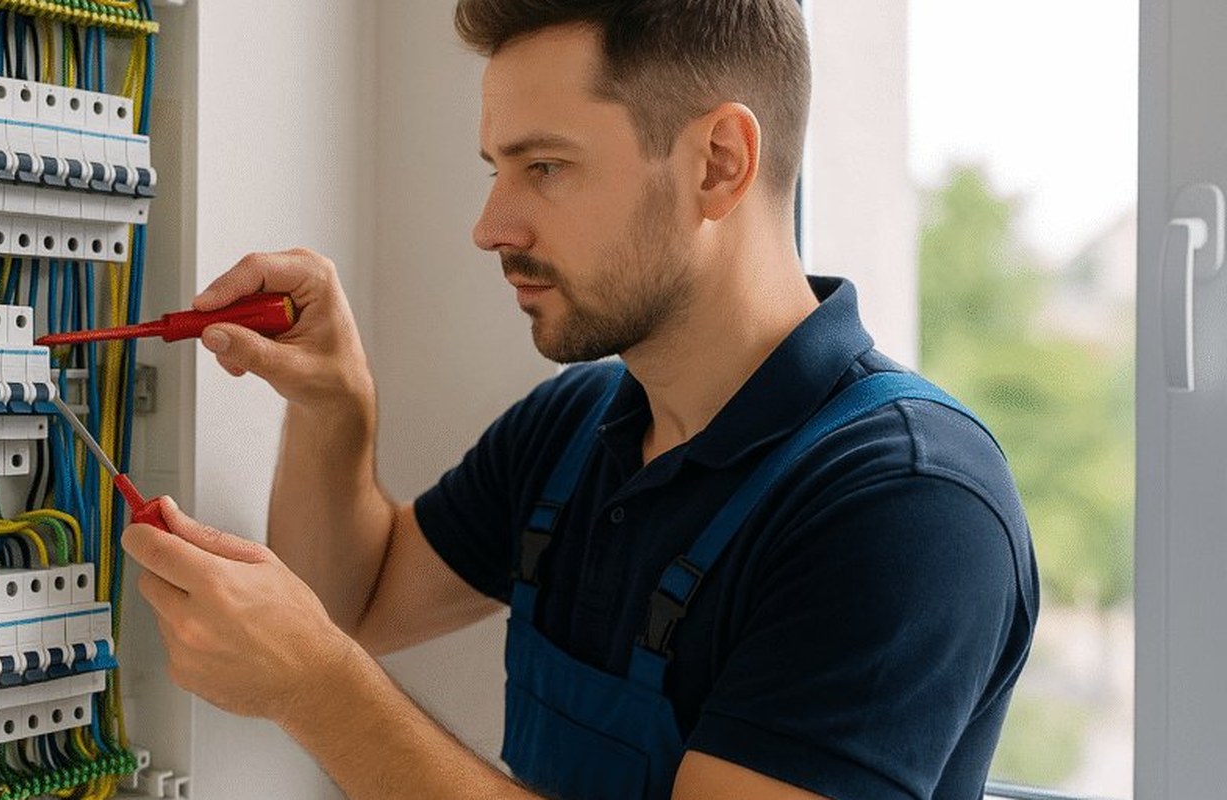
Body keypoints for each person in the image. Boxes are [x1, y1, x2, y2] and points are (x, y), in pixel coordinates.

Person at [120, 1, 1039, 798]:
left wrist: (320, 689)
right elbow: (352, 603)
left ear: (719, 162)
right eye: (495, 168)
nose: (491, 227)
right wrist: (334, 404)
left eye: (545, 167)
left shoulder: (907, 506)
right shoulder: (577, 426)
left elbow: (327, 650)